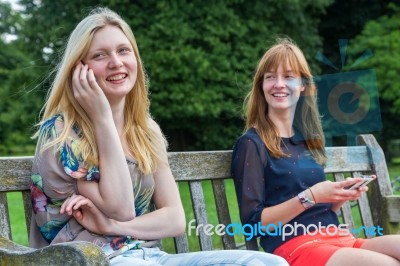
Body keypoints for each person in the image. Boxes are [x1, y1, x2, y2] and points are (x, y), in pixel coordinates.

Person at [29, 7, 288, 266]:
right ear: (80, 70)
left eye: (123, 50)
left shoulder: (145, 130)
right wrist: (102, 117)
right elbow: (122, 207)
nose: (116, 62)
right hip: (89, 259)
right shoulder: (63, 133)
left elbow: (174, 219)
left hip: (147, 256)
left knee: (268, 263)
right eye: (100, 55)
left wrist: (110, 225)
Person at [231, 38, 400, 266]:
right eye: (270, 77)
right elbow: (253, 225)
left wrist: (337, 196)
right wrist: (311, 196)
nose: (279, 84)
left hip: (337, 238)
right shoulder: (252, 144)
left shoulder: (307, 140)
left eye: (288, 76)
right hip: (295, 246)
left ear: (303, 86)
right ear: (261, 85)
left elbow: (314, 207)